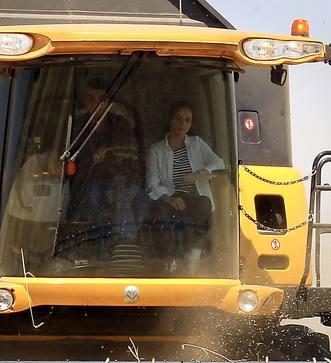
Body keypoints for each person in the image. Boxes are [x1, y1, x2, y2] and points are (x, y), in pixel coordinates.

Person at [145, 102, 226, 265]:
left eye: (187, 120)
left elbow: (219, 163)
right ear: (170, 120)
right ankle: (169, 260)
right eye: (179, 119)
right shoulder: (156, 149)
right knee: (159, 211)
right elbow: (151, 184)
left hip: (194, 198)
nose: (182, 124)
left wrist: (200, 173)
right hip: (171, 198)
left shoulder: (196, 143)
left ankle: (194, 254)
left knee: (205, 202)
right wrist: (170, 199)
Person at [66, 85, 141, 255]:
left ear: (108, 103)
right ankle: (102, 254)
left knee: (131, 200)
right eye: (91, 99)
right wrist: (90, 158)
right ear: (86, 102)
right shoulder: (78, 126)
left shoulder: (121, 123)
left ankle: (126, 251)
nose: (96, 104)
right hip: (88, 181)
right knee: (95, 200)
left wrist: (109, 151)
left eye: (101, 99)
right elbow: (70, 158)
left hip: (121, 178)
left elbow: (132, 151)